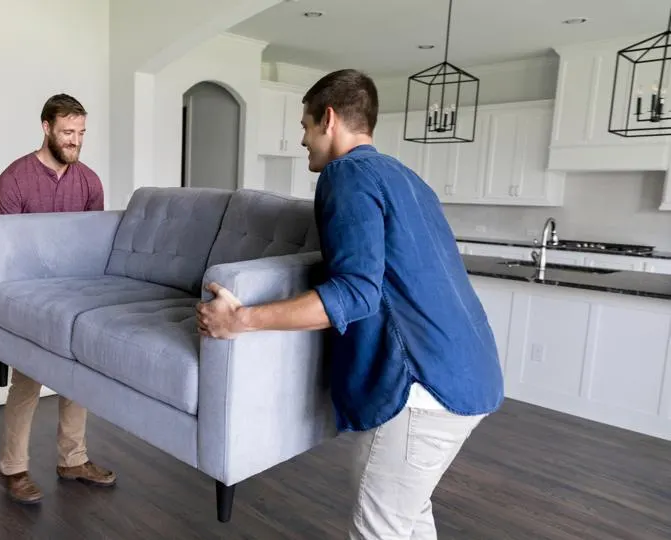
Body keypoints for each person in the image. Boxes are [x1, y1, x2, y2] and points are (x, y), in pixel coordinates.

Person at [196, 69, 504, 539]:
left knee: (379, 528)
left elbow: (357, 293)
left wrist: (240, 319)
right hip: (470, 370)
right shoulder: (407, 178)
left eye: (305, 125)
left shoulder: (346, 175)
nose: (302, 139)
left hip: (420, 385)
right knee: (407, 517)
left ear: (330, 119)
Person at [0, 93, 116, 505]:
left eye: (81, 133)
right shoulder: (14, 179)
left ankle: (73, 460)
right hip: (29, 296)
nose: (75, 141)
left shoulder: (90, 181)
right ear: (46, 128)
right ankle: (13, 468)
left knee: (78, 377)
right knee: (27, 381)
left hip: (76, 295)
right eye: (68, 132)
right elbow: (3, 252)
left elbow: (95, 248)